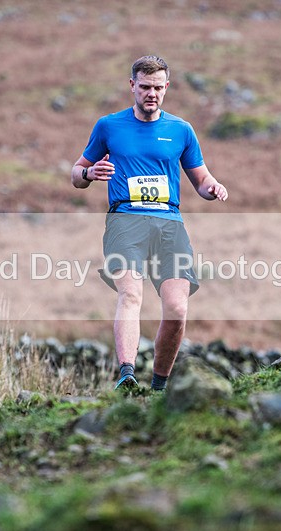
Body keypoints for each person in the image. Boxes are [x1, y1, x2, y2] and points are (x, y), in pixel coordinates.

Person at [71, 55, 228, 391]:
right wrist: (89, 173)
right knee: (130, 295)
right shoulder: (109, 126)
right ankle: (127, 374)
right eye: (144, 87)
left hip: (169, 223)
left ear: (167, 87)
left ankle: (158, 386)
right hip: (125, 220)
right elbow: (76, 174)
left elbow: (201, 180)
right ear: (132, 86)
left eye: (158, 88)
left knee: (176, 308)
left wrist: (212, 188)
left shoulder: (181, 130)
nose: (151, 94)